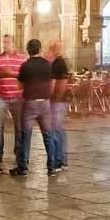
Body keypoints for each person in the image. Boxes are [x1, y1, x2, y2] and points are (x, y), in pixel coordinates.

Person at [13, 39, 56, 177]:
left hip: (30, 103)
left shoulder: (25, 66)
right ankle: (52, 167)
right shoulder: (47, 64)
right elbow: (52, 81)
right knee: (48, 135)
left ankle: (23, 168)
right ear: (40, 49)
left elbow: (19, 86)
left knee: (26, 135)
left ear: (27, 49)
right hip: (45, 103)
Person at [0, 35, 23, 163]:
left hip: (17, 96)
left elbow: (25, 75)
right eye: (4, 42)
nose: (5, 44)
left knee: (19, 127)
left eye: (8, 42)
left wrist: (12, 74)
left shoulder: (21, 58)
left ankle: (19, 153)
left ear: (14, 43)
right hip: (1, 97)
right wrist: (2, 73)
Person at [48, 40, 71, 172]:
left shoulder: (58, 64)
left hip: (57, 102)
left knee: (55, 132)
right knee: (60, 131)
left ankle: (58, 161)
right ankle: (63, 160)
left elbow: (58, 84)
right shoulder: (62, 62)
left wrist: (52, 100)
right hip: (61, 102)